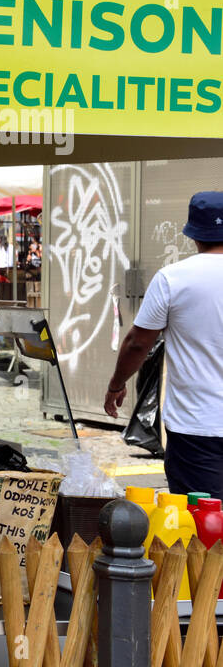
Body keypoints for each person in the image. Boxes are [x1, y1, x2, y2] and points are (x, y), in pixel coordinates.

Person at [105, 191, 223, 497]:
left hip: (197, 427)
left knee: (200, 529)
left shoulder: (173, 278)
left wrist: (117, 384)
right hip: (197, 426)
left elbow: (136, 344)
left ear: (193, 235)